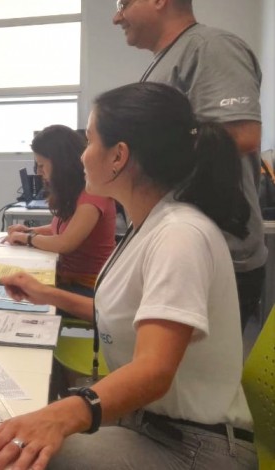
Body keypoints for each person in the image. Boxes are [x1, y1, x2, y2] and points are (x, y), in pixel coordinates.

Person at [0, 82, 257, 470]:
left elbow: (154, 371)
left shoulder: (179, 236)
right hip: (152, 426)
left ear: (118, 157)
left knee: (12, 458)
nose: (82, 156)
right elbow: (124, 316)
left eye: (90, 141)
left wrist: (62, 414)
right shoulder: (150, 226)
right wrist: (47, 294)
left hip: (193, 448)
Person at [113, 0, 266, 332]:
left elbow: (242, 134)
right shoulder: (162, 64)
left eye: (124, 3)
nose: (116, 17)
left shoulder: (210, 48)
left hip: (211, 255)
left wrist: (137, 155)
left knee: (186, 379)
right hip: (174, 247)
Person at [5, 125, 116, 297]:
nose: (39, 172)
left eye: (42, 165)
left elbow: (65, 243)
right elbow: (59, 229)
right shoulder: (77, 191)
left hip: (89, 287)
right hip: (68, 278)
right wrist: (30, 230)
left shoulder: (94, 195)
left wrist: (28, 238)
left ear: (60, 164)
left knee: (15, 291)